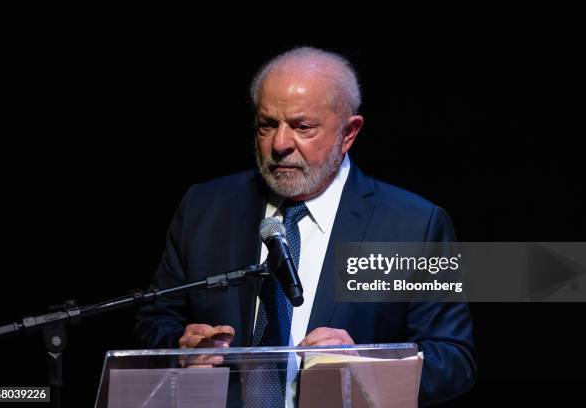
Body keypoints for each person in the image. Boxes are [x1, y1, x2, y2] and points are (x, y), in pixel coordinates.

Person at [135, 46, 476, 406]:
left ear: (348, 133)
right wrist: (180, 346)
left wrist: (363, 365)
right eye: (267, 125)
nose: (280, 144)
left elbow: (453, 359)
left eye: (302, 127)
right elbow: (154, 320)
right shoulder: (205, 208)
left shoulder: (412, 226)